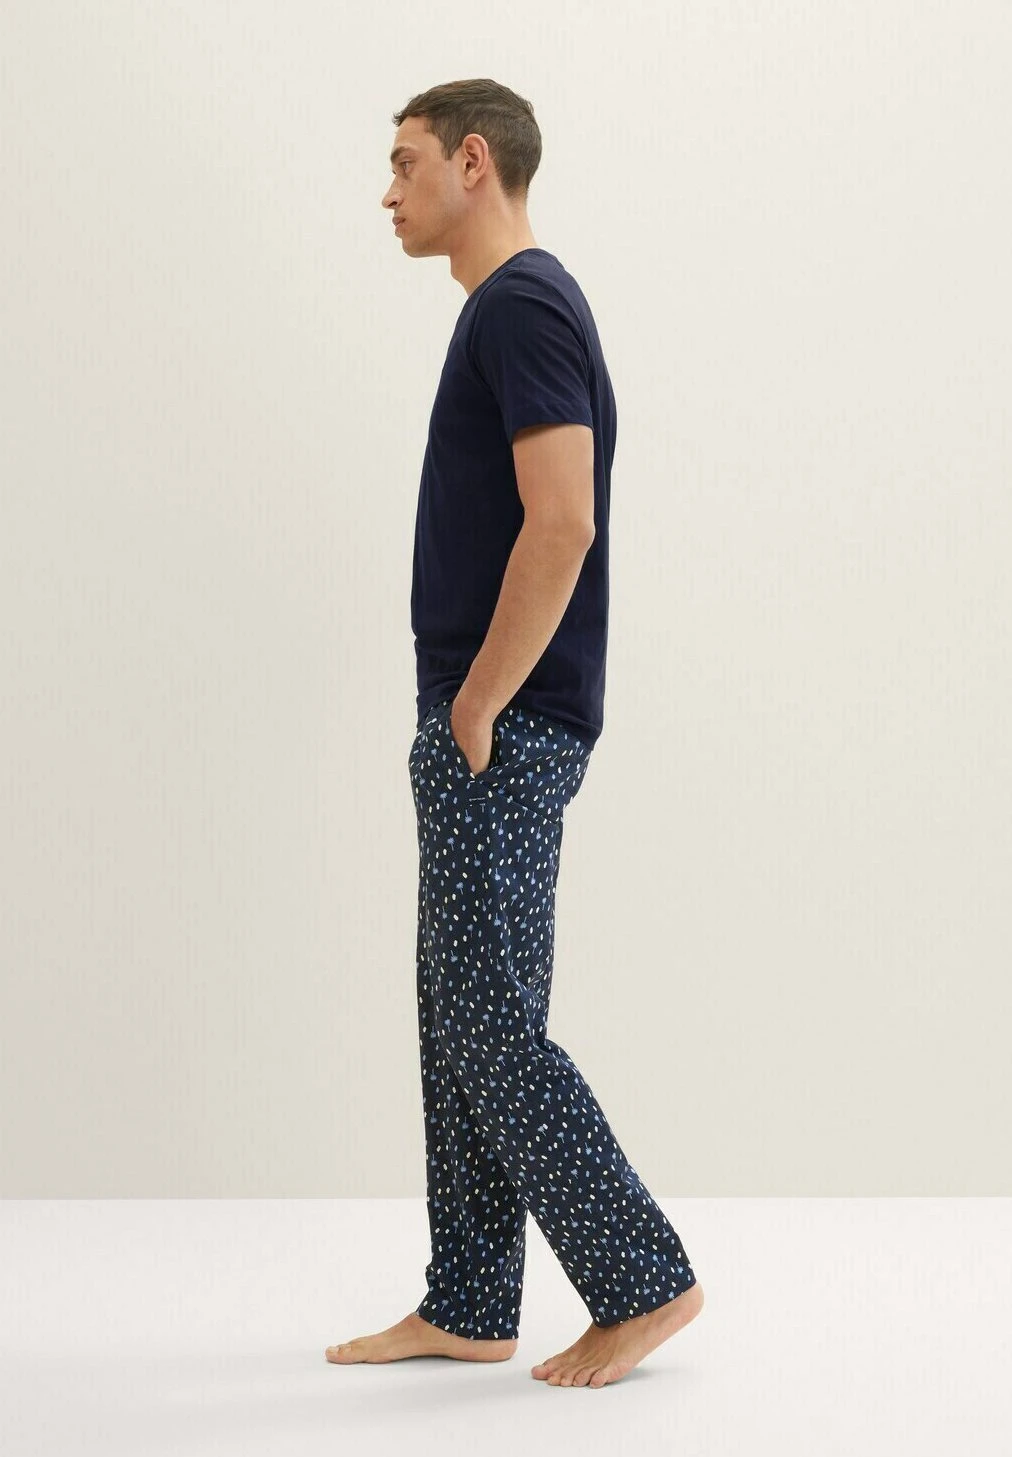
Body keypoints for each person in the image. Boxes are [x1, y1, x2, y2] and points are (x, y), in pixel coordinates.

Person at [326, 78, 703, 1389]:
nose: (388, 191)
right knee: (462, 1016)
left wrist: (479, 702)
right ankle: (473, 1302)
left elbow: (565, 518)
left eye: (405, 162)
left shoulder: (523, 305)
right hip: (494, 713)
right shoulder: (508, 308)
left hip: (506, 717)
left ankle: (642, 1281)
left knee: (488, 1022)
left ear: (472, 162)